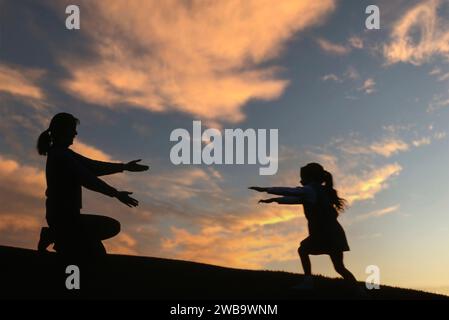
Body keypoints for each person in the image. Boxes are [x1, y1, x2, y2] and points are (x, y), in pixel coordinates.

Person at [36, 112, 149, 256]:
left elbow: (92, 167)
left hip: (65, 217)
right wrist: (115, 193)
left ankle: (60, 238)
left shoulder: (65, 154)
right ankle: (58, 236)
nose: (75, 133)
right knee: (110, 227)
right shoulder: (61, 156)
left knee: (95, 248)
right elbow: (87, 178)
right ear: (63, 130)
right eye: (72, 129)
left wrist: (124, 167)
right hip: (64, 218)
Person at [249, 163, 357, 289]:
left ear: (310, 177)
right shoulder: (323, 191)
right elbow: (294, 199)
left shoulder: (310, 189)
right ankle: (360, 293)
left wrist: (266, 189)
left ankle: (308, 282)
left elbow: (291, 192)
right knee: (340, 267)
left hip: (322, 233)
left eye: (303, 177)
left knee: (303, 250)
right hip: (335, 233)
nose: (300, 180)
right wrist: (274, 200)